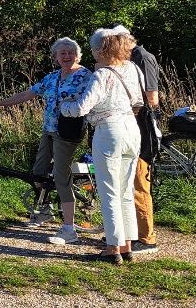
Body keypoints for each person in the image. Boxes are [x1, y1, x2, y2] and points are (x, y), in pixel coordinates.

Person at [0, 38, 92, 244]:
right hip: (48, 131)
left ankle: (69, 228)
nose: (67, 56)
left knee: (61, 176)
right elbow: (27, 94)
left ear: (78, 55)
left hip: (68, 133)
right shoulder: (52, 78)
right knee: (38, 173)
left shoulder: (86, 76)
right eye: (62, 53)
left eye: (70, 52)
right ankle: (45, 211)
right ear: (55, 57)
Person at [60, 26, 143, 264]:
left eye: (95, 49)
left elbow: (81, 108)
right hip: (131, 129)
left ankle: (112, 248)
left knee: (108, 191)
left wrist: (64, 106)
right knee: (126, 190)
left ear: (103, 49)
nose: (93, 53)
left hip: (109, 131)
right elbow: (138, 102)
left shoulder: (102, 74)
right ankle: (127, 245)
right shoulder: (133, 69)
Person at [129, 39, 161, 255]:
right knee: (128, 186)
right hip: (132, 131)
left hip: (143, 132)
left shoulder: (142, 57)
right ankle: (131, 233)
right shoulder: (129, 59)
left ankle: (147, 238)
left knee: (140, 183)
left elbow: (152, 99)